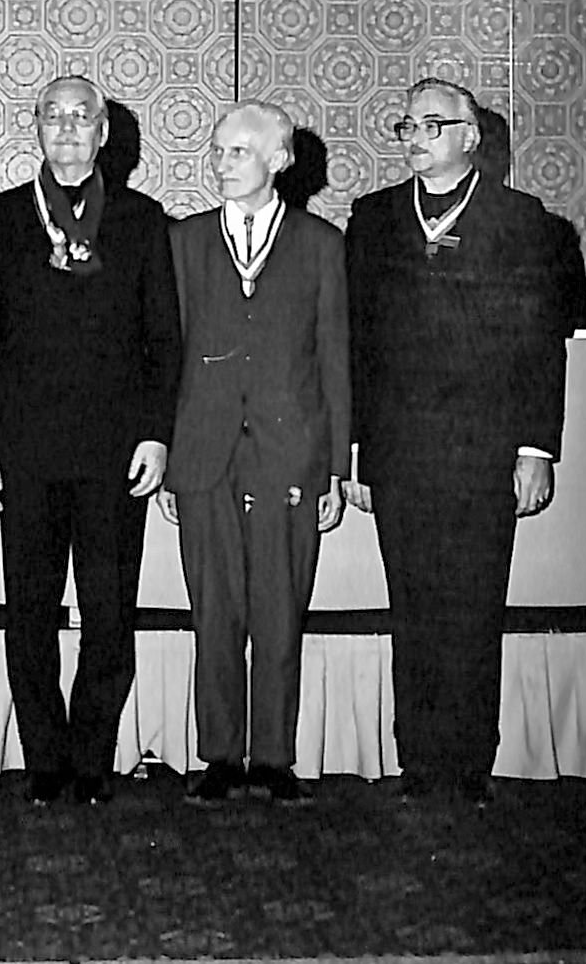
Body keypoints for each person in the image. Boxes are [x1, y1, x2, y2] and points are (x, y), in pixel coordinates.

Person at [344, 77, 586, 806]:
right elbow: (357, 345)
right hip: (400, 450)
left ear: (471, 137)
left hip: (484, 449)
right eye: (406, 126)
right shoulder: (374, 218)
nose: (416, 138)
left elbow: (542, 343)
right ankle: (419, 761)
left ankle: (469, 762)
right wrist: (356, 451)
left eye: (432, 124)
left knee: (475, 608)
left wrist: (536, 448)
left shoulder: (521, 220)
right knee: (411, 607)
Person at [0, 76, 181, 807]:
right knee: (28, 612)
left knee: (108, 612)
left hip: (115, 454)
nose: (66, 128)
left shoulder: (142, 220)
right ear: (35, 127)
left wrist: (155, 435)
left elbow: (163, 339)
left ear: (104, 132)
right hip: (23, 452)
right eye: (52, 116)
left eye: (80, 117)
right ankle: (44, 760)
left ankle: (91, 758)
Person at [158, 100, 349, 808]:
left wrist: (335, 468)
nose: (221, 164)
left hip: (288, 454)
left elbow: (335, 360)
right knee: (214, 614)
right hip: (204, 454)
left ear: (280, 160)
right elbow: (167, 357)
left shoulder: (322, 244)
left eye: (237, 151)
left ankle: (271, 756)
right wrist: (172, 459)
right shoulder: (184, 242)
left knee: (279, 612)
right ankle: (218, 755)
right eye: (217, 151)